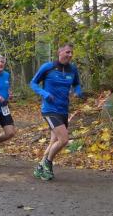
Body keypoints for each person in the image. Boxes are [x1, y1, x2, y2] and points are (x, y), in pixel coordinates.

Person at [29, 43, 84, 181]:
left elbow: (76, 83)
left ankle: (40, 168)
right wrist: (44, 93)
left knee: (54, 140)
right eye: (67, 52)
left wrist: (78, 91)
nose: (70, 55)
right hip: (49, 109)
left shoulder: (72, 69)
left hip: (63, 110)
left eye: (71, 53)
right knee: (63, 140)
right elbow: (33, 83)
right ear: (60, 52)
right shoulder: (48, 67)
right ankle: (48, 164)